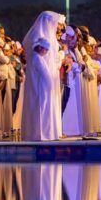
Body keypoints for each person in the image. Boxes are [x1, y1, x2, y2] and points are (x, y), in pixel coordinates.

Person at [19, 11, 65, 141]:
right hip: (38, 75)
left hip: (50, 74)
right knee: (39, 103)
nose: (57, 26)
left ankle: (49, 132)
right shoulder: (37, 36)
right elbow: (36, 55)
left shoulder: (51, 36)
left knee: (48, 104)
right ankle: (37, 134)